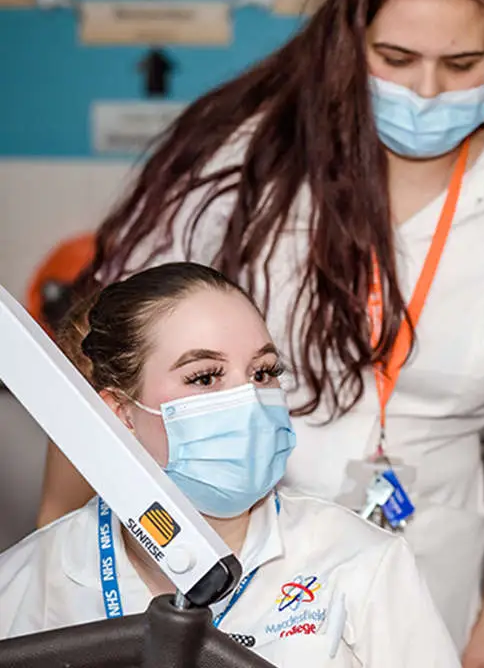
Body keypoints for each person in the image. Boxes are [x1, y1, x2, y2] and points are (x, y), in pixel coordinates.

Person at [37, 0, 484, 663]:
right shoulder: (241, 164)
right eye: (396, 59)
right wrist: (50, 544)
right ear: (347, 42)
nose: (428, 91)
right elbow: (106, 350)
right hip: (226, 554)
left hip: (429, 561)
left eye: (460, 65)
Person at [0, 262, 459, 666]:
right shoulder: (31, 580)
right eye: (204, 377)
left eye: (263, 373)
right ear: (121, 414)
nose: (250, 402)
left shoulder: (359, 563)